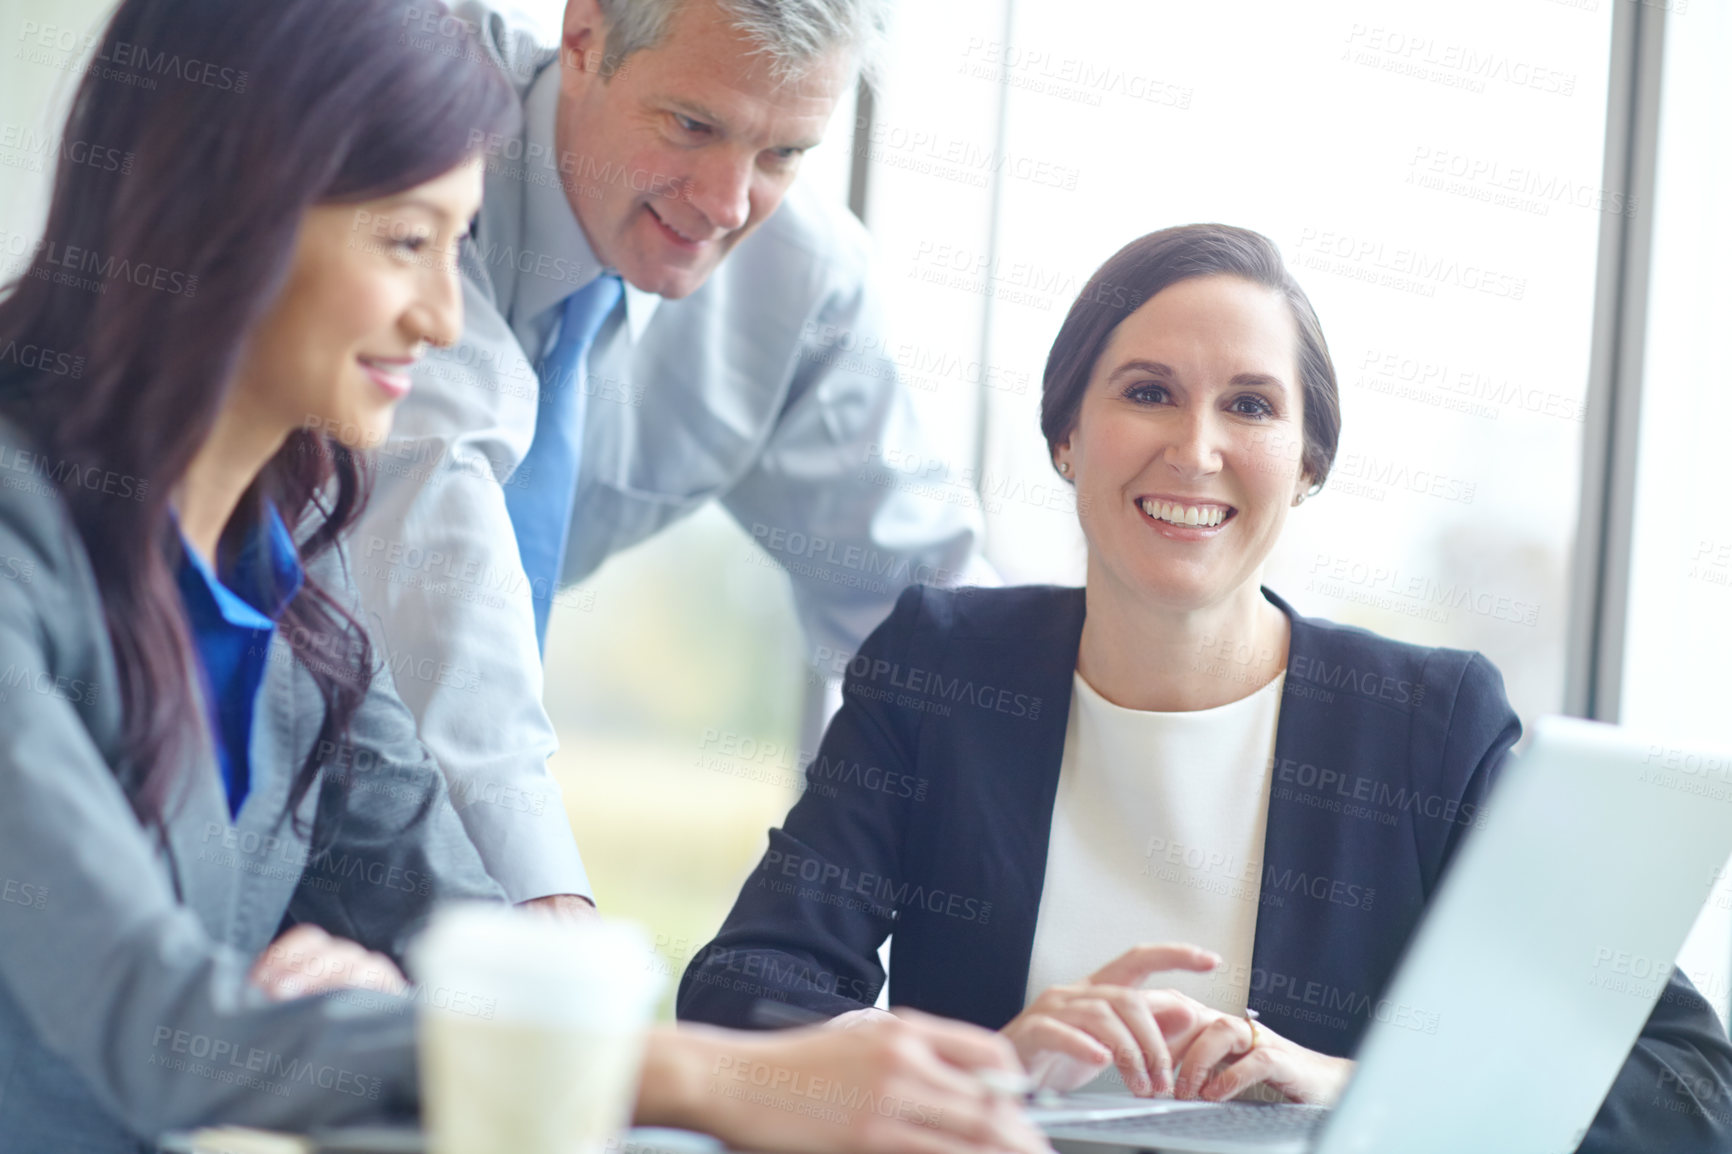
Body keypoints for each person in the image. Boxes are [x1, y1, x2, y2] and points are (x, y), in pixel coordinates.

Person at [0, 3, 1048, 1152]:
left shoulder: (291, 581)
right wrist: (699, 1072)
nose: (447, 314)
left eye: (457, 246)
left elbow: (469, 934)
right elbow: (157, 1027)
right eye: (407, 242)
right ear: (220, 213)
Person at [676, 224, 1732, 1150]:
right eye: (1147, 393)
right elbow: (743, 998)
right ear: (1065, 435)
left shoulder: (1424, 724)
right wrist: (984, 1063)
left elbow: (1689, 1085)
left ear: (1307, 461)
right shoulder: (943, 669)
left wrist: (1351, 1092)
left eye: (1251, 405)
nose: (1195, 449)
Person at [345, 0, 992, 915]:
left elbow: (926, 605)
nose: (727, 206)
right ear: (584, 40)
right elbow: (432, 519)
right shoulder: (426, 135)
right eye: (692, 126)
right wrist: (550, 910)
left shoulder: (799, 283)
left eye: (783, 155)